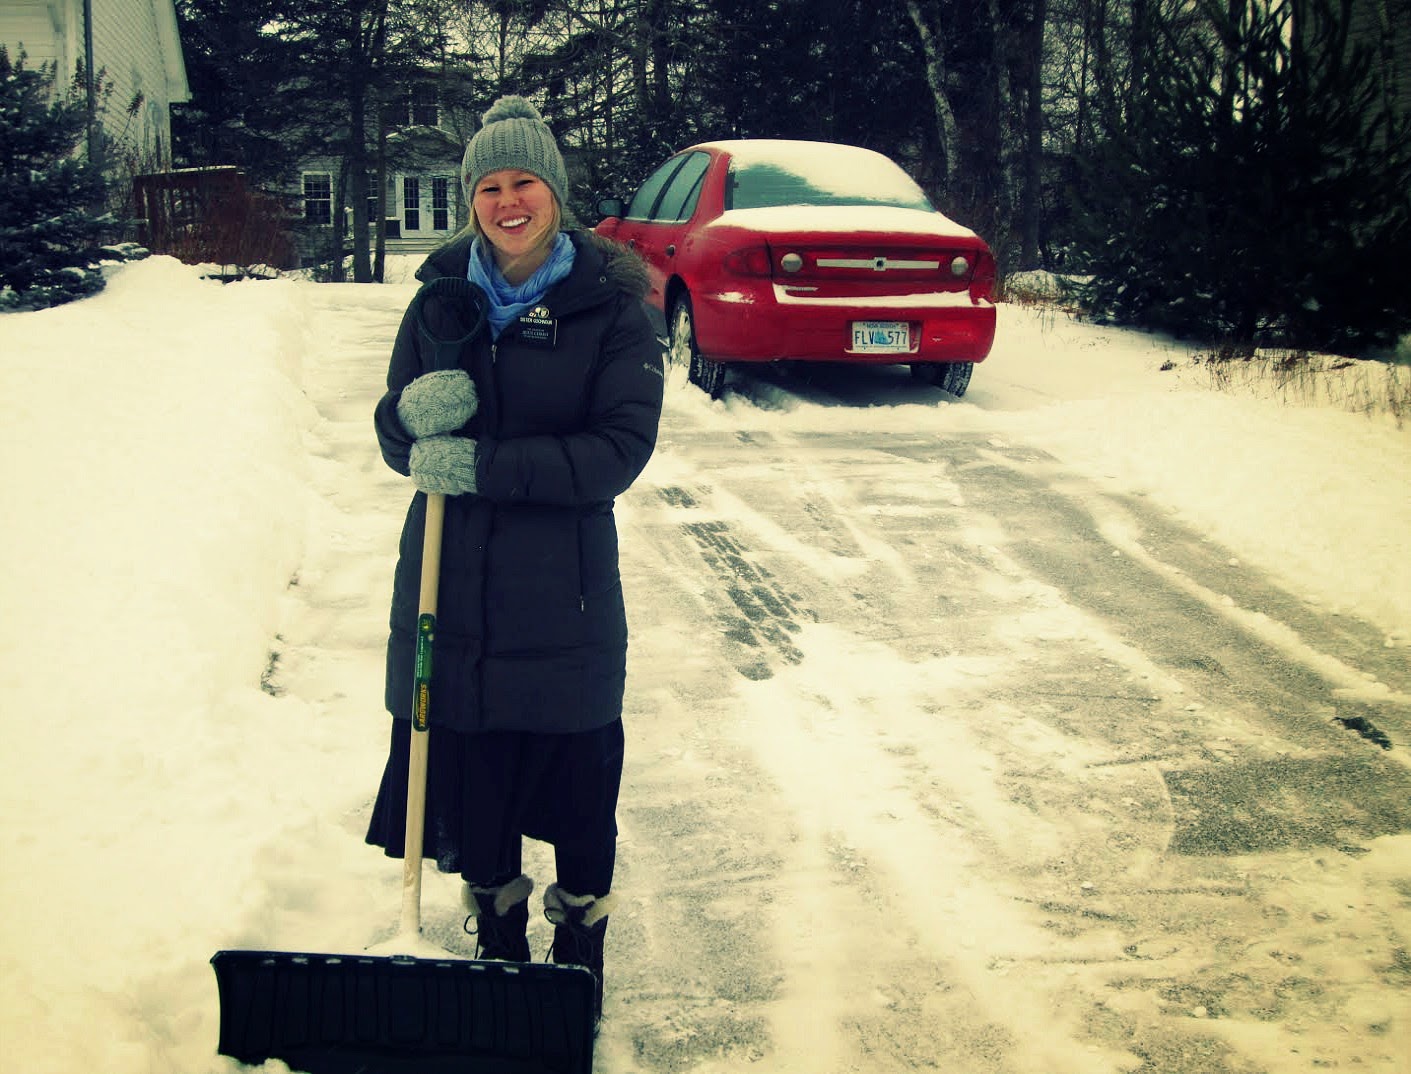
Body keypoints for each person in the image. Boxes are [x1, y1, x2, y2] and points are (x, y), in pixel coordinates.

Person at [365, 94, 664, 1020]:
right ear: (470, 199)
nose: (506, 201)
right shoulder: (440, 298)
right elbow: (396, 427)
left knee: (576, 778)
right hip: (447, 579)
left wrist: (481, 465)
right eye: (488, 186)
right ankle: (496, 933)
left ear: (555, 192)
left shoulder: (612, 306)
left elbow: (618, 451)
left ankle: (578, 941)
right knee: (472, 770)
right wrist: (405, 423)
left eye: (523, 181)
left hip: (561, 591)